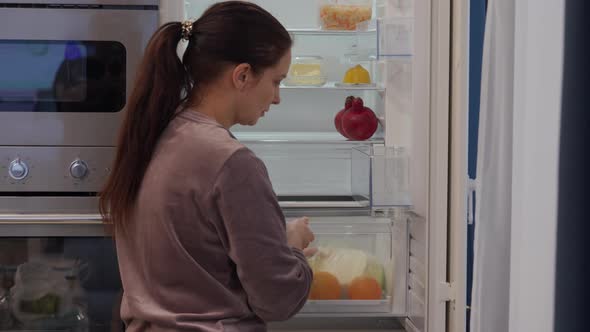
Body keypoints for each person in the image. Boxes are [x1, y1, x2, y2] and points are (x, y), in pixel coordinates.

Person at [98, 2, 315, 331]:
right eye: (276, 81)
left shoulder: (154, 133)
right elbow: (276, 298)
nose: (276, 98)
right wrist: (294, 248)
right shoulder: (232, 163)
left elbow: (195, 255)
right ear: (242, 75)